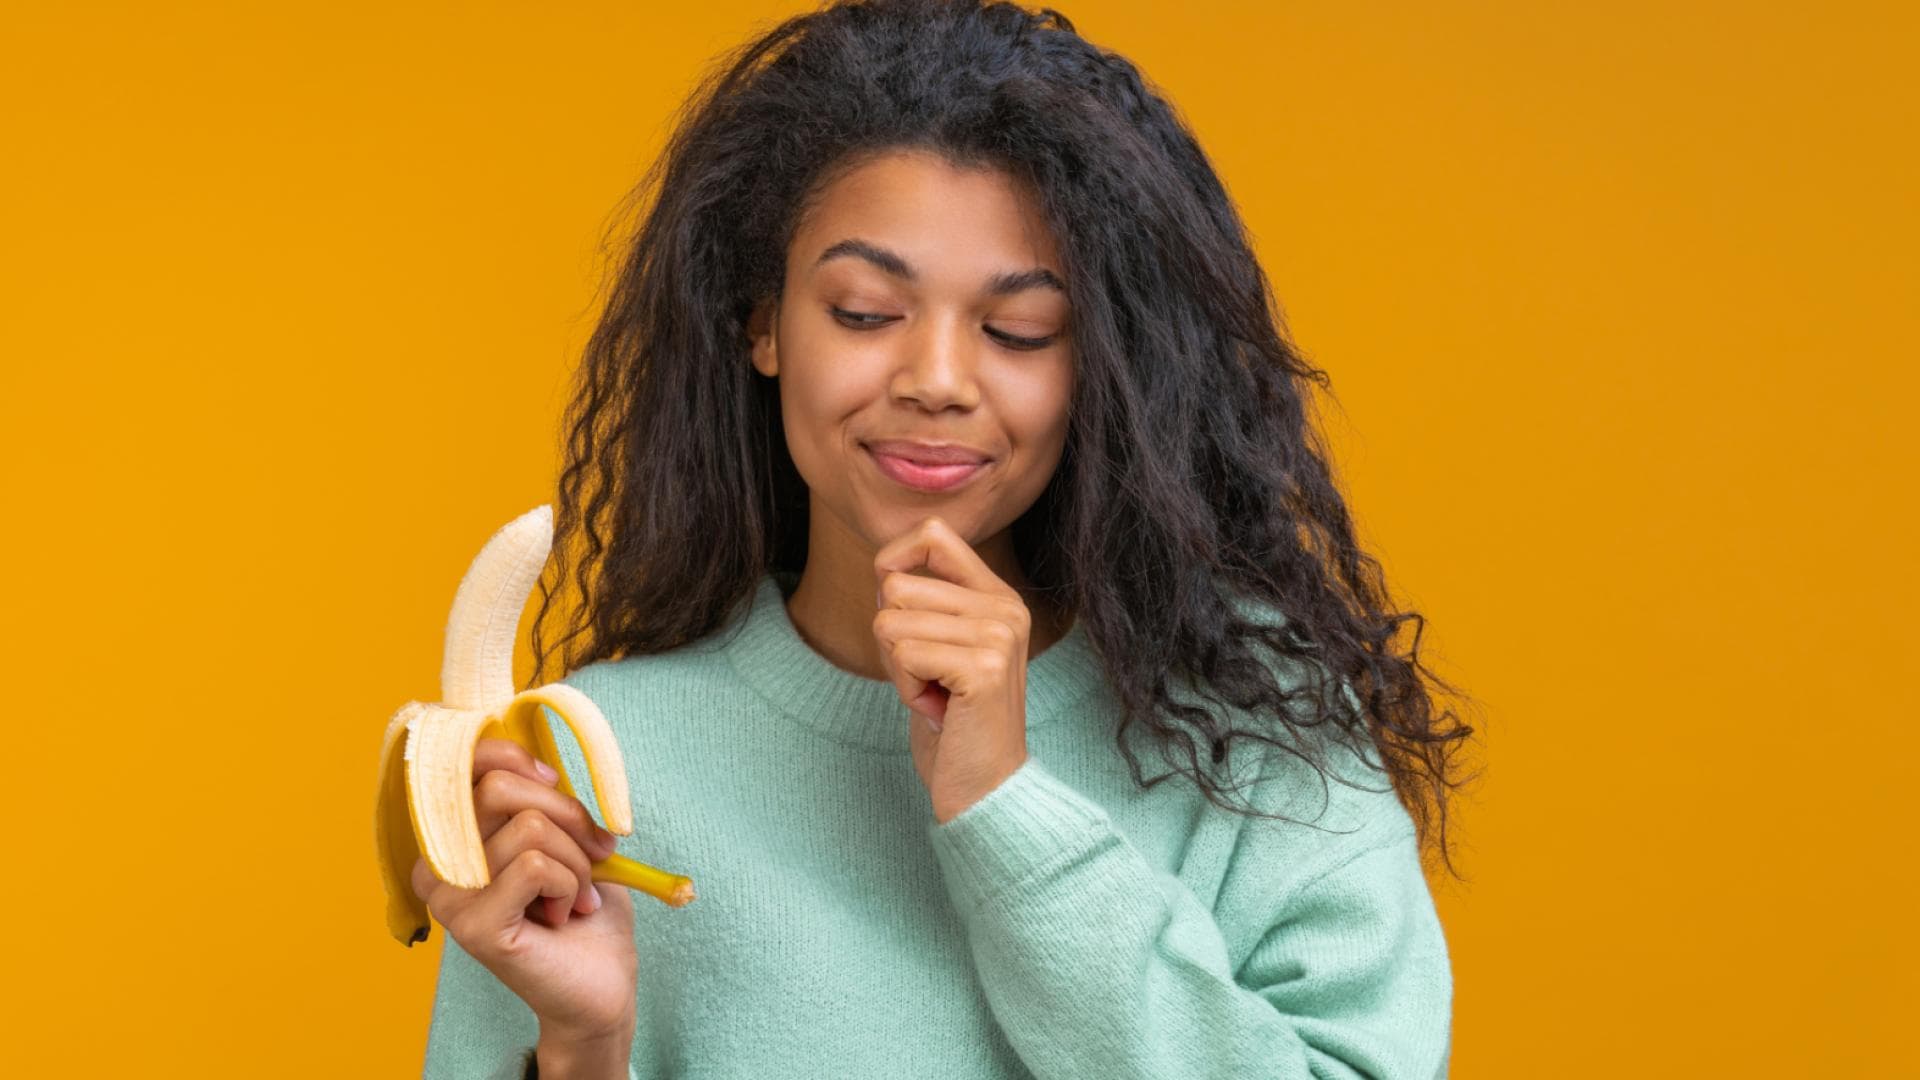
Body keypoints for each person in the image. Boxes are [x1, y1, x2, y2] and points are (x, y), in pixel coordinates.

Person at [409, 1, 1476, 1076]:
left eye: (1019, 331)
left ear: (1099, 364)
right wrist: (585, 1047)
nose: (936, 381)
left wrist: (1003, 806)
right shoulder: (598, 774)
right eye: (866, 311)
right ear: (763, 322)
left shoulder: (1255, 723)